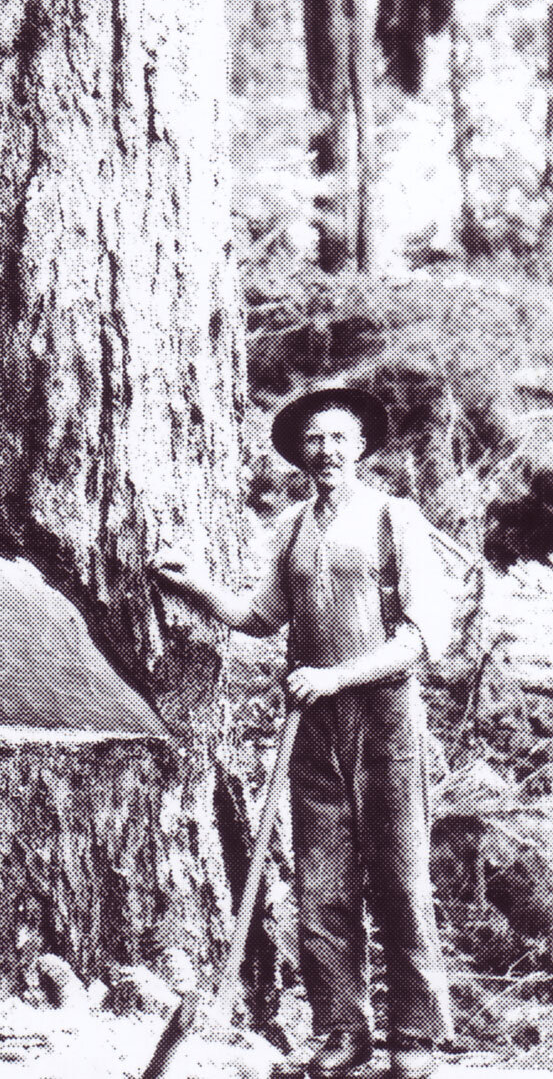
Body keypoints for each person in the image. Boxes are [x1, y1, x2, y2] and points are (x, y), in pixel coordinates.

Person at [152, 387, 454, 1079]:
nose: (326, 451)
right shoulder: (292, 526)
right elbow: (262, 616)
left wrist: (338, 676)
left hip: (384, 715)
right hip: (310, 721)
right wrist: (195, 585)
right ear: (298, 453)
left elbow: (422, 636)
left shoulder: (394, 519)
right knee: (321, 885)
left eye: (339, 438)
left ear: (362, 447)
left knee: (401, 878)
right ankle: (342, 1033)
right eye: (313, 440)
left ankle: (415, 1040)